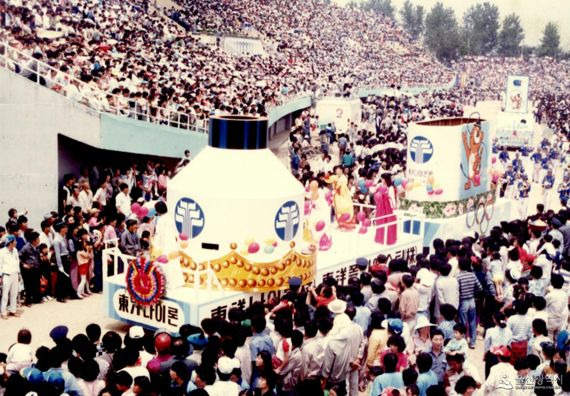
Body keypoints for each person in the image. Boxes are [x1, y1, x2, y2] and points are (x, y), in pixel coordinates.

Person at [455, 258, 482, 349]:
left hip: (463, 302)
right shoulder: (472, 275)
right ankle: (473, 342)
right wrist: (472, 293)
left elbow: (457, 291)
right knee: (472, 322)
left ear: (459, 266)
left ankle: (464, 341)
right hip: (472, 301)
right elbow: (480, 287)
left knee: (463, 323)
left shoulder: (458, 277)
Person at [0, 235, 22, 319]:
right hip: (6, 275)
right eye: (14, 241)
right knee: (5, 295)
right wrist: (0, 277)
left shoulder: (15, 250)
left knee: (14, 293)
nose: (16, 242)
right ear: (10, 243)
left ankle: (13, 310)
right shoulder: (2, 252)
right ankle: (3, 312)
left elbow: (17, 263)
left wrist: (19, 274)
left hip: (15, 274)